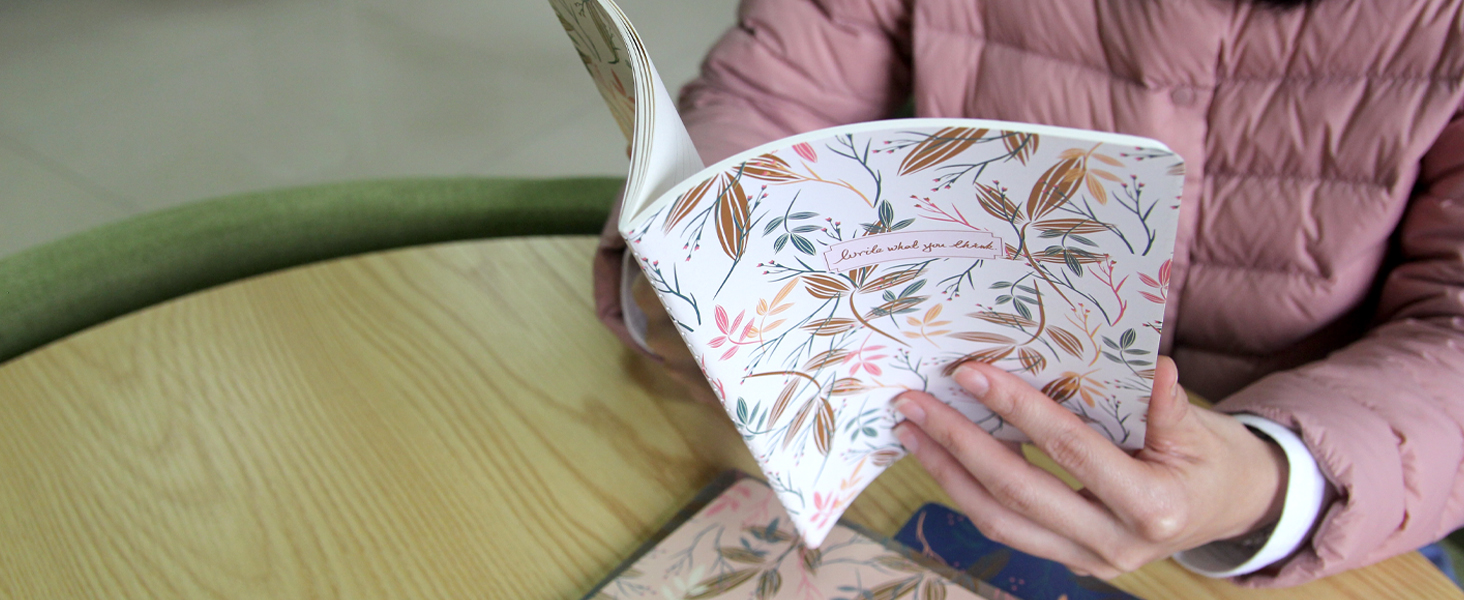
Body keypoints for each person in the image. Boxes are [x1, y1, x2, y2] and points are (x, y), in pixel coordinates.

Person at [592, 0, 1464, 586]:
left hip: (1316, 512)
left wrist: (1270, 481)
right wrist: (707, 265)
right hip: (919, 438)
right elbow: (771, 95)